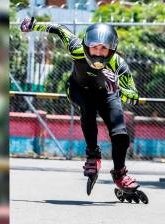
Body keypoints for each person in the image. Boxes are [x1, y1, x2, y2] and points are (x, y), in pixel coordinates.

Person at [20, 18, 140, 193]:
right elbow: (59, 28)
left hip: (106, 94)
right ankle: (93, 155)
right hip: (78, 90)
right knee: (88, 108)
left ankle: (120, 174)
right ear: (86, 45)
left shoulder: (118, 63)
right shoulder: (76, 48)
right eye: (95, 47)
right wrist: (33, 25)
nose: (98, 53)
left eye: (104, 49)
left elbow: (132, 91)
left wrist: (126, 90)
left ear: (112, 50)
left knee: (120, 134)